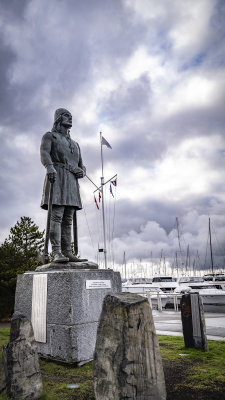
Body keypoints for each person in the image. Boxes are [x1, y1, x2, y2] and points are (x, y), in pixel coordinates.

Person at [40, 108, 86, 263]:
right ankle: (56, 252)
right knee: (57, 215)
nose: (70, 118)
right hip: (57, 176)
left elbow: (81, 165)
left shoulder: (76, 144)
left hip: (72, 181)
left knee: (68, 219)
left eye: (71, 116)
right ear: (58, 118)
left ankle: (68, 252)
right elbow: (45, 153)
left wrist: (82, 171)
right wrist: (49, 167)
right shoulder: (50, 136)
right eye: (67, 115)